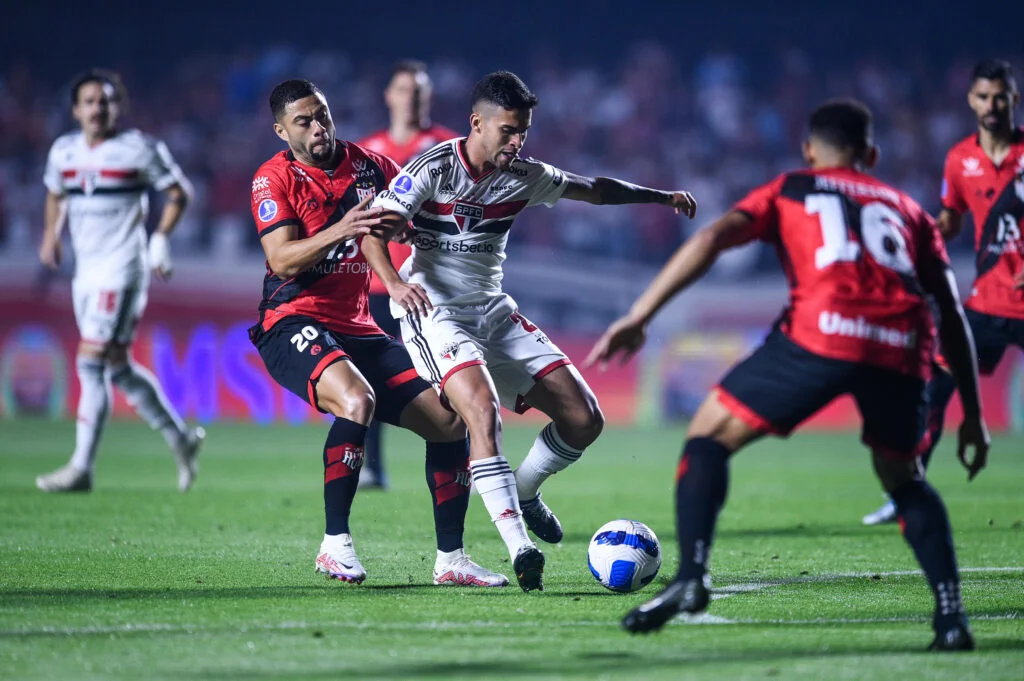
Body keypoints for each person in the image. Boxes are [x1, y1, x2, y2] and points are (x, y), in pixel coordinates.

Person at [586, 100, 989, 651]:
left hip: (821, 333)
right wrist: (973, 414)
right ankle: (950, 617)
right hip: (902, 345)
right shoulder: (909, 210)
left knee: (708, 436)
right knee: (904, 477)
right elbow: (952, 312)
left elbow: (710, 239)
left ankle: (691, 579)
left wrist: (640, 315)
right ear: (870, 154)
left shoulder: (792, 188)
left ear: (808, 150)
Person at [370, 71, 697, 574]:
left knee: (585, 418)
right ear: (477, 123)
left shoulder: (524, 174)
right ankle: (520, 547)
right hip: (436, 314)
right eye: (508, 130)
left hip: (494, 311)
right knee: (481, 412)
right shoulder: (432, 168)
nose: (517, 141)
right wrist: (393, 283)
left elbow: (595, 190)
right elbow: (374, 230)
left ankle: (522, 491)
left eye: (523, 130)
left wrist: (660, 196)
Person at [248, 79, 514, 589]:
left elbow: (410, 213)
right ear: (282, 131)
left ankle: (452, 560)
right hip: (292, 320)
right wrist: (342, 229)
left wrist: (421, 231)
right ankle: (334, 545)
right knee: (356, 400)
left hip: (360, 327)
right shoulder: (273, 178)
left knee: (448, 421)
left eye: (322, 114)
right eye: (304, 122)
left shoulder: (369, 165)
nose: (318, 127)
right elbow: (280, 259)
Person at [863, 58, 1023, 525]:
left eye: (1000, 97)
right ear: (972, 100)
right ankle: (907, 493)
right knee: (933, 386)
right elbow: (952, 218)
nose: (992, 105)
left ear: (1014, 99)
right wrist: (918, 238)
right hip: (988, 303)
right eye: (983, 97)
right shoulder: (960, 160)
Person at [36, 69, 204, 493]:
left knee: (89, 363)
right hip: (85, 274)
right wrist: (51, 235)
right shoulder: (63, 152)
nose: (98, 108)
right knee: (118, 366)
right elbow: (55, 193)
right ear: (76, 110)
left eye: (106, 101)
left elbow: (179, 192)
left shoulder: (138, 149)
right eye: (90, 101)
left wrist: (160, 239)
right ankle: (180, 438)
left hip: (122, 270)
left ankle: (81, 468)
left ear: (117, 107)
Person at [356, 60, 459, 490]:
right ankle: (372, 466)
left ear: (427, 97)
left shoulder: (448, 146)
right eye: (404, 90)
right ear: (389, 95)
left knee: (446, 376)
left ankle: (452, 462)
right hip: (378, 285)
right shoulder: (367, 150)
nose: (411, 98)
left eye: (418, 91)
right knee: (370, 377)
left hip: (432, 284)